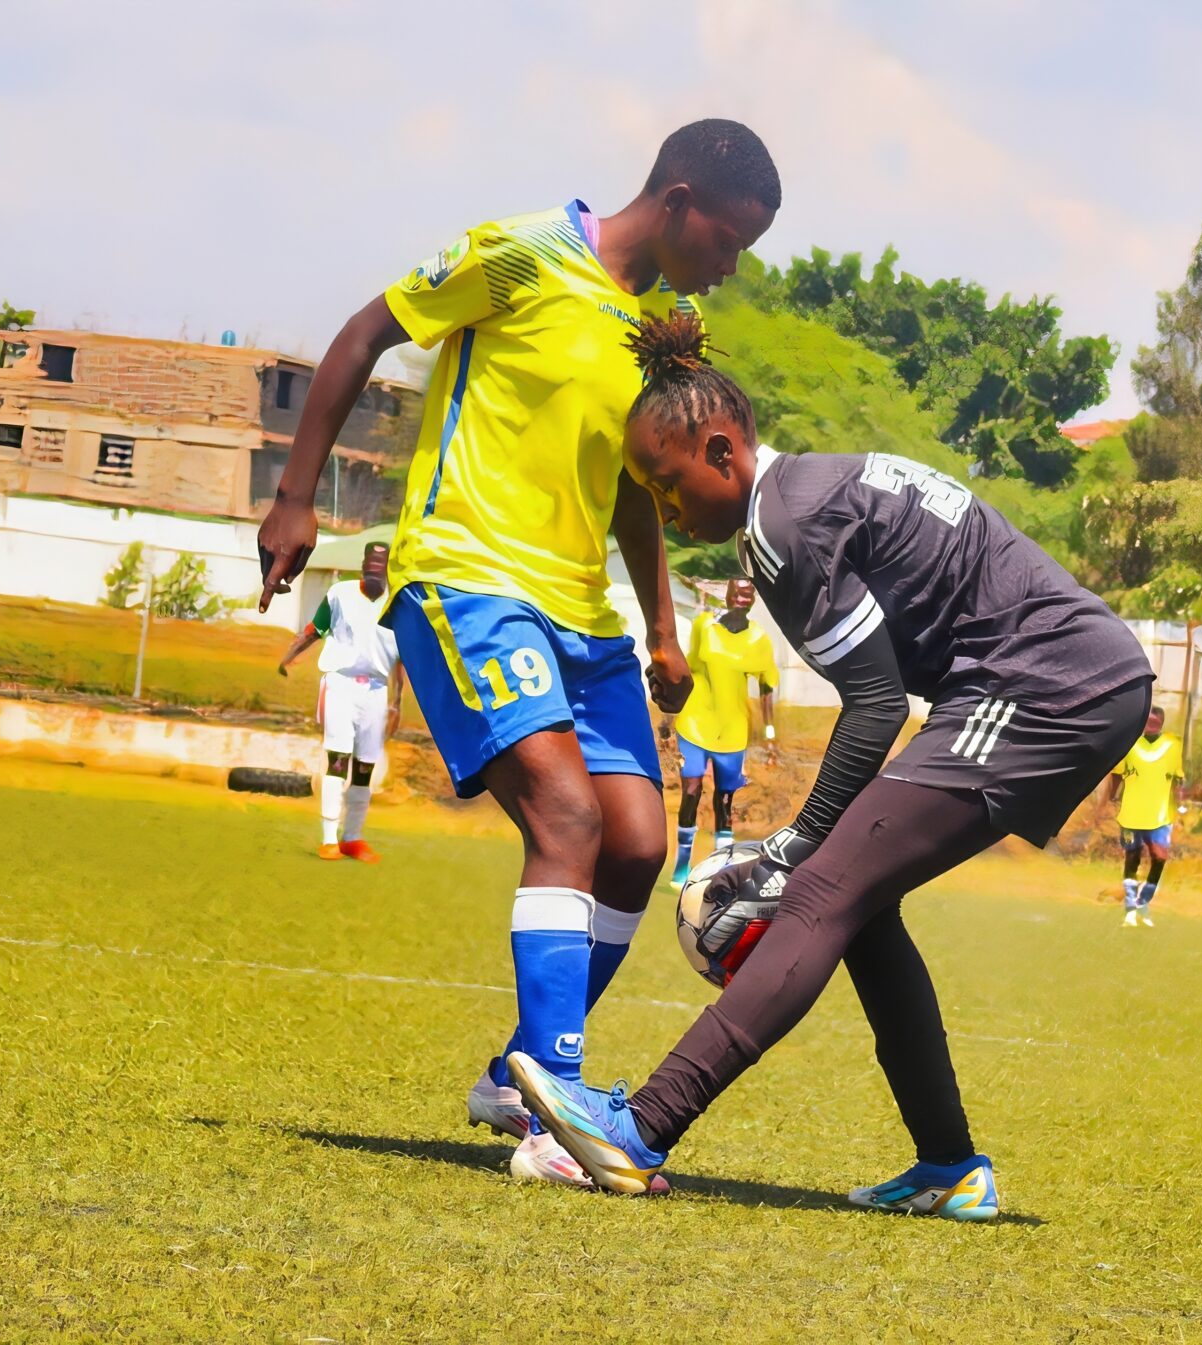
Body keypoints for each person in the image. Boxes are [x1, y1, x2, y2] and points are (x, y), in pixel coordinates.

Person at [505, 311, 1156, 1221]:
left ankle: (640, 1128)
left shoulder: (784, 526)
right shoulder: (796, 500)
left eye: (666, 481)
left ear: (722, 450)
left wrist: (792, 844)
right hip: (1043, 678)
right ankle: (949, 1166)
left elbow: (878, 705)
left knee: (817, 891)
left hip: (1047, 682)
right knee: (860, 902)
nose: (662, 505)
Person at [254, 122, 780, 1188]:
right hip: (469, 580)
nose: (729, 270)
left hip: (584, 617)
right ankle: (553, 1115)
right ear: (679, 201)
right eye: (728, 243)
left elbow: (641, 484)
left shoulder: (652, 337)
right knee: (568, 819)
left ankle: (518, 1074)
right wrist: (297, 495)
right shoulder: (522, 251)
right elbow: (365, 333)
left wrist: (664, 628)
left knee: (635, 845)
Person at [276, 541, 405, 861]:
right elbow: (313, 629)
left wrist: (397, 703)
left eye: (380, 566)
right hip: (341, 685)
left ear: (388, 569)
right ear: (362, 565)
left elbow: (401, 658)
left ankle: (353, 838)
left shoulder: (397, 605)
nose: (374, 570)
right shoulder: (340, 594)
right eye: (370, 564)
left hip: (376, 692)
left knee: (365, 767)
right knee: (338, 759)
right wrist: (290, 655)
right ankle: (329, 837)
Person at [662, 578, 780, 888]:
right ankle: (682, 864)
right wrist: (669, 714)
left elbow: (767, 686)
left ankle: (719, 871)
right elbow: (688, 670)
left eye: (748, 594)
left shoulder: (759, 640)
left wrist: (769, 734)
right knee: (691, 791)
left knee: (725, 801)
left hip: (732, 731)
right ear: (726, 595)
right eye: (737, 592)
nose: (742, 598)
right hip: (695, 722)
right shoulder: (705, 626)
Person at [1105, 704, 1183, 927]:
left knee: (1159, 859)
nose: (1150, 725)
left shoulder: (1172, 747)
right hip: (1131, 814)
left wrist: (1180, 808)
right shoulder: (1129, 744)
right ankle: (1130, 910)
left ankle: (1143, 901)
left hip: (1160, 817)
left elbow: (1177, 780)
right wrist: (1110, 798)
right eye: (1147, 721)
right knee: (1132, 858)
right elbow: (1117, 774)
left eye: (1154, 722)